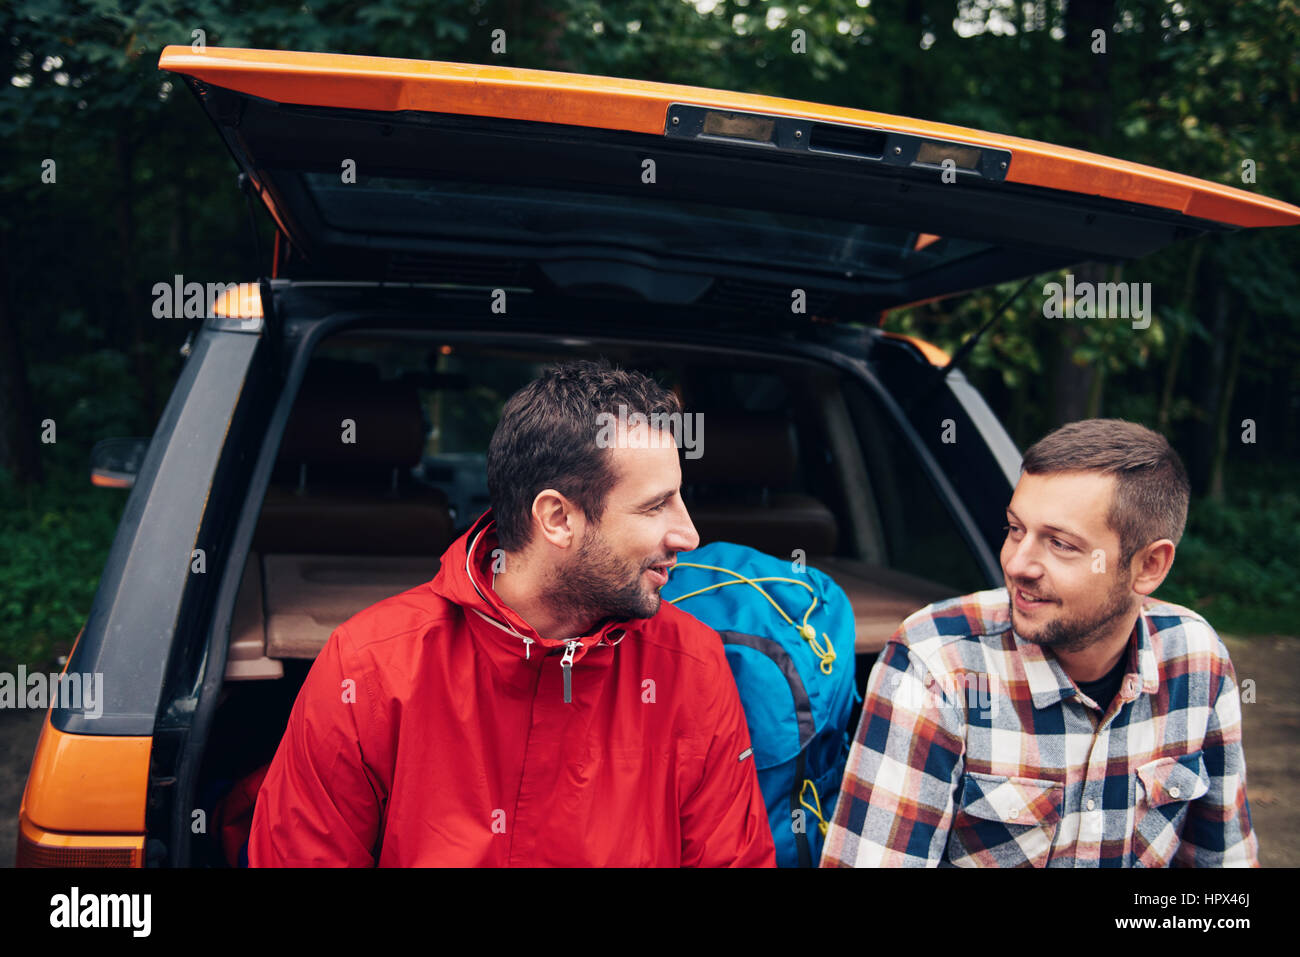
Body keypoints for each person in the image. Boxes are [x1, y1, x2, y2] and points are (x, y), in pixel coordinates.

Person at [248, 359, 776, 866]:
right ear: (557, 518)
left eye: (680, 499)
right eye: (655, 505)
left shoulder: (692, 665)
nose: (689, 534)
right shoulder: (369, 666)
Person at [821, 419, 1258, 867]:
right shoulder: (937, 663)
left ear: (1149, 565)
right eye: (1015, 529)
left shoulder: (1196, 659)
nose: (1017, 563)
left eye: (1060, 544)